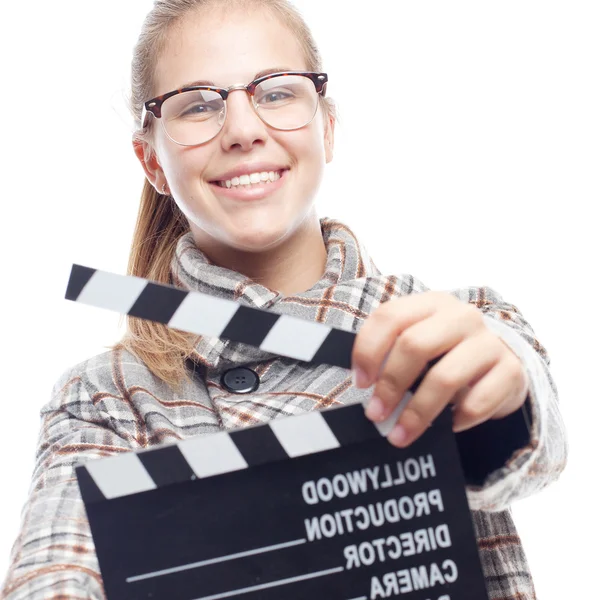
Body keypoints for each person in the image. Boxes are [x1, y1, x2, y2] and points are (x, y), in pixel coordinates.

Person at [1, 0, 567, 598]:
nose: (244, 130)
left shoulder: (455, 323)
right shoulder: (103, 397)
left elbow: (531, 452)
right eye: (198, 104)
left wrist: (502, 392)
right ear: (152, 162)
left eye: (276, 93)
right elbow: (52, 575)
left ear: (326, 125)